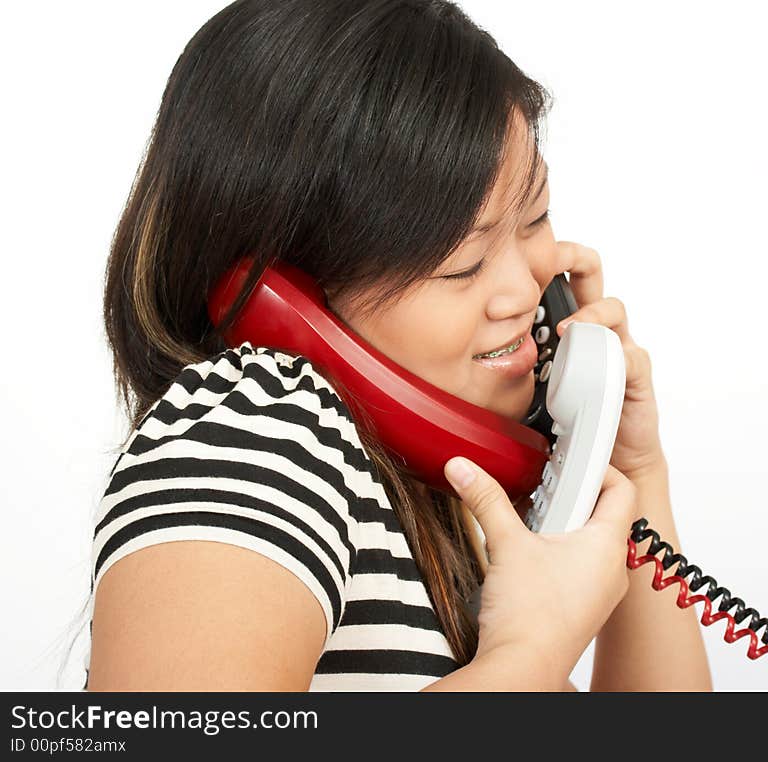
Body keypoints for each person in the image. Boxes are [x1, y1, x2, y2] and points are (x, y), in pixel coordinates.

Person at [85, 0, 711, 691]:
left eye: (534, 216)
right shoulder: (256, 432)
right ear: (290, 301)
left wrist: (630, 473)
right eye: (461, 265)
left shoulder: (427, 486)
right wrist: (530, 654)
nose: (522, 291)